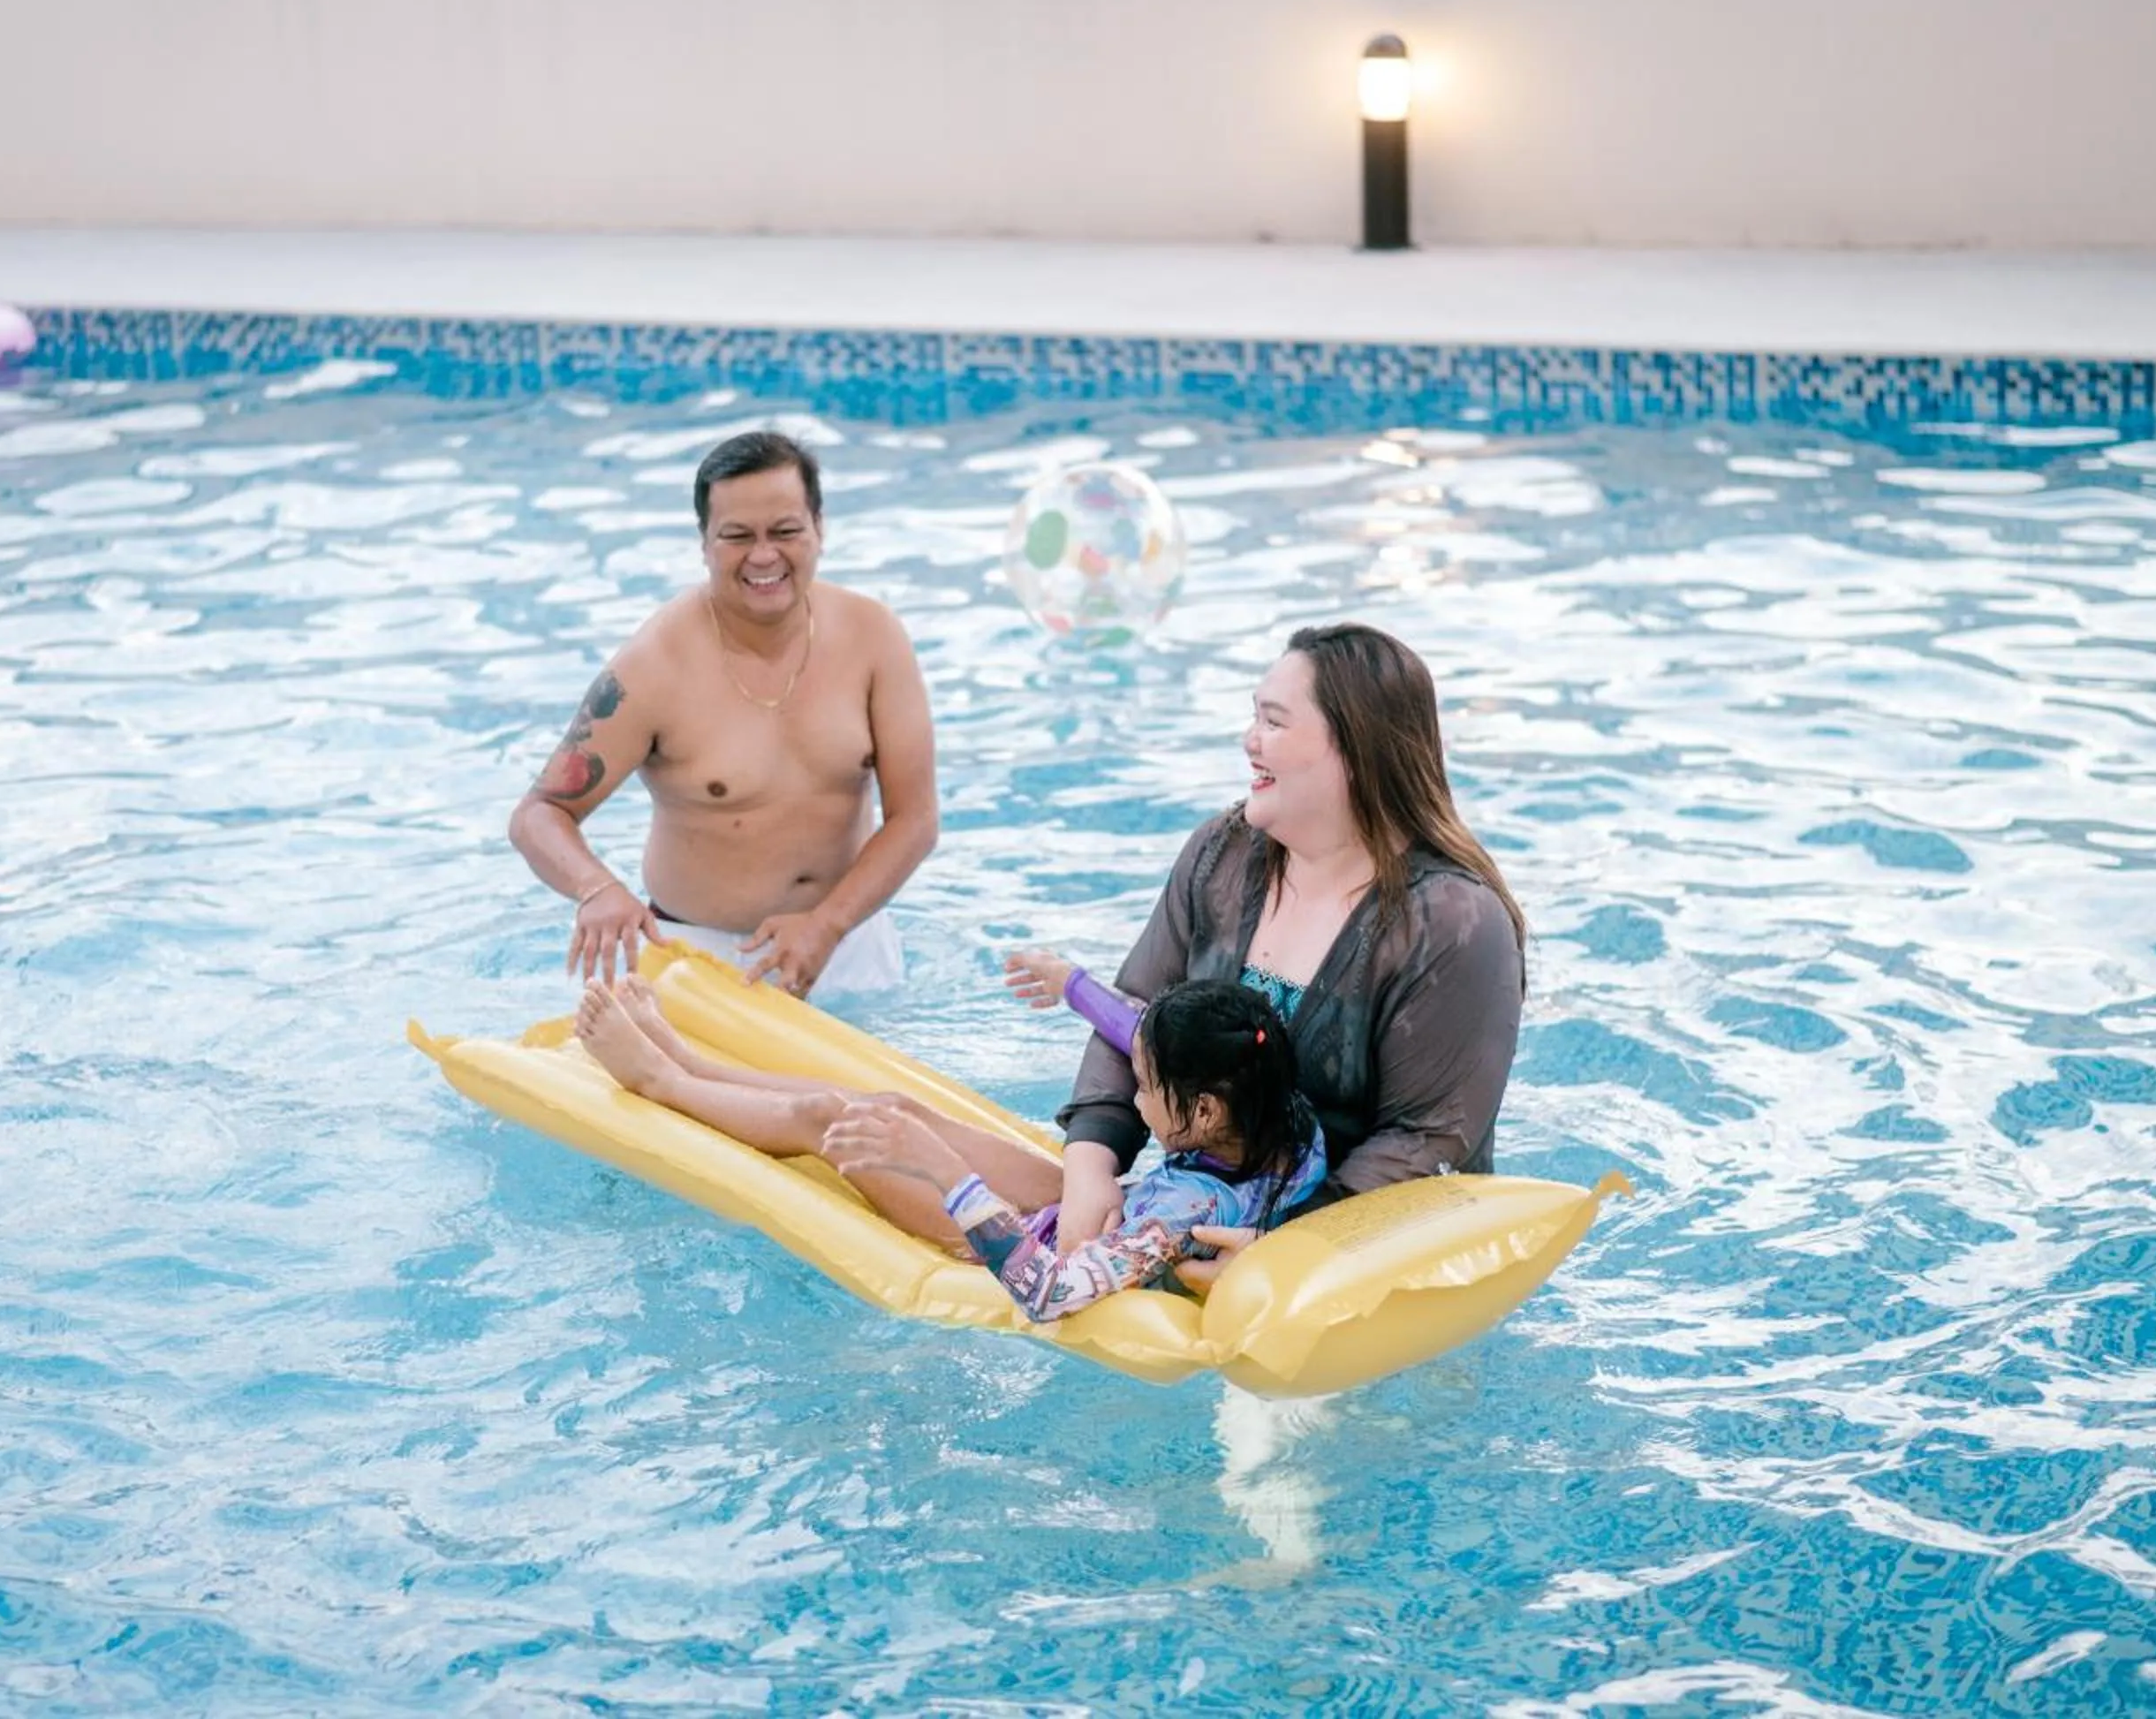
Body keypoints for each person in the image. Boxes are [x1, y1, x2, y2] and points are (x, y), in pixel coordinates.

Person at [1048, 622, 1529, 1282]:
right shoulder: (1223, 857)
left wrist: (1281, 1251)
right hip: (1208, 1208)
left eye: (1273, 722)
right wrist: (1091, 1162)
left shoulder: (1453, 924)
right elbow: (1138, 1014)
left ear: (1355, 749)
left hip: (1370, 1255)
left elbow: (1427, 1138)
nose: (1250, 740)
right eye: (1255, 717)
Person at [573, 973, 1323, 1322]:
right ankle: (689, 1060)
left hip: (1018, 1244)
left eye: (1146, 1089)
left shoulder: (1179, 1218)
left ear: (1202, 1108)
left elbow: (1051, 1295)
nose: (1132, 1101)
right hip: (1089, 1210)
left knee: (827, 1122)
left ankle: (660, 1081)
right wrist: (1071, 984)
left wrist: (947, 1173)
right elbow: (1147, 1036)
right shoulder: (1278, 1116)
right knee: (893, 1108)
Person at [508, 430, 936, 998]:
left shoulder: (873, 637)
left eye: (785, 531)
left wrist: (828, 924)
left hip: (849, 942)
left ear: (819, 528)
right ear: (705, 543)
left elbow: (915, 818)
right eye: (737, 536)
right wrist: (597, 889)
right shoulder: (655, 666)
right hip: (698, 960)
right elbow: (539, 812)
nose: (763, 556)